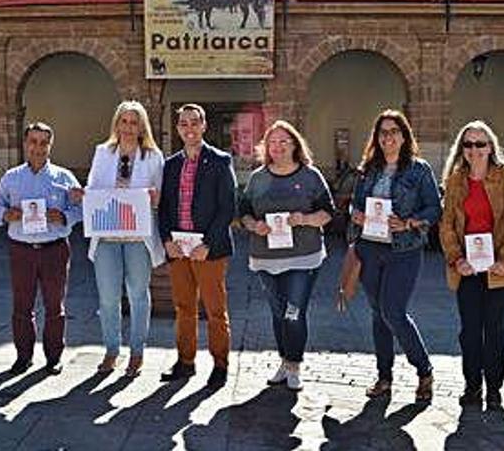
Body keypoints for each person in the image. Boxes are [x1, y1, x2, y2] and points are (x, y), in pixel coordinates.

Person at [439, 120, 504, 410]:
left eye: (480, 144)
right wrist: (456, 259)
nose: (474, 150)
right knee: (469, 331)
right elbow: (447, 225)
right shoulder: (456, 178)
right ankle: (472, 386)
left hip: (500, 269)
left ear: (491, 146)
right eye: (468, 144)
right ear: (462, 149)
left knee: (495, 330)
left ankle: (494, 389)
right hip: (468, 267)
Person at [344, 108, 440, 402]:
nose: (388, 138)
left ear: (404, 136)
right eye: (383, 132)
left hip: (404, 250)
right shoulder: (368, 169)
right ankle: (384, 377)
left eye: (394, 132)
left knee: (392, 312)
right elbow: (354, 205)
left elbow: (434, 209)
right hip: (370, 248)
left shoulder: (419, 169)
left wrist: (409, 221)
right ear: (377, 137)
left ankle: (424, 369)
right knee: (377, 313)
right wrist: (356, 215)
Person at [239, 120, 334, 391]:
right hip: (266, 258)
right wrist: (253, 225)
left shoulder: (310, 176)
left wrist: (304, 219)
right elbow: (243, 212)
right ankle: (284, 360)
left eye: (284, 141)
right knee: (279, 312)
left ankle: (294, 364)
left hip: (303, 258)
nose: (278, 147)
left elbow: (328, 213)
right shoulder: (258, 178)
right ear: (265, 146)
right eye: (272, 142)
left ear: (295, 144)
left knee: (294, 312)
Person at [73, 101, 164, 378]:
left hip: (138, 237)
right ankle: (112, 349)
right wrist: (82, 194)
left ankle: (137, 351)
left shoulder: (153, 156)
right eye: (123, 121)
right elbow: (93, 187)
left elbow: (160, 197)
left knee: (138, 294)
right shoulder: (103, 153)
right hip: (107, 235)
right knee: (108, 297)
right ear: (116, 124)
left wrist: (154, 197)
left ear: (141, 127)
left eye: (133, 122)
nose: (127, 127)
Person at [0, 122, 82, 376]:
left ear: (50, 145)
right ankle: (23, 356)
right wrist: (8, 214)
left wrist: (63, 217)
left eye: (43, 143)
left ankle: (54, 357)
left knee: (55, 305)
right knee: (22, 305)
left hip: (54, 249)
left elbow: (81, 209)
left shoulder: (64, 178)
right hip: (22, 250)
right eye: (33, 141)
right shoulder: (11, 177)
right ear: (25, 143)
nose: (38, 148)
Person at [158, 103, 236, 388]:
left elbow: (228, 207)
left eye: (194, 122)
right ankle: (185, 361)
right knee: (183, 307)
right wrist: (167, 240)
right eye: (184, 123)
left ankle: (220, 364)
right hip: (179, 249)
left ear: (203, 126)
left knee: (215, 310)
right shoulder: (170, 165)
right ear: (178, 129)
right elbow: (164, 208)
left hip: (208, 250)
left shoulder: (219, 161)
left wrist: (209, 243)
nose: (189, 128)